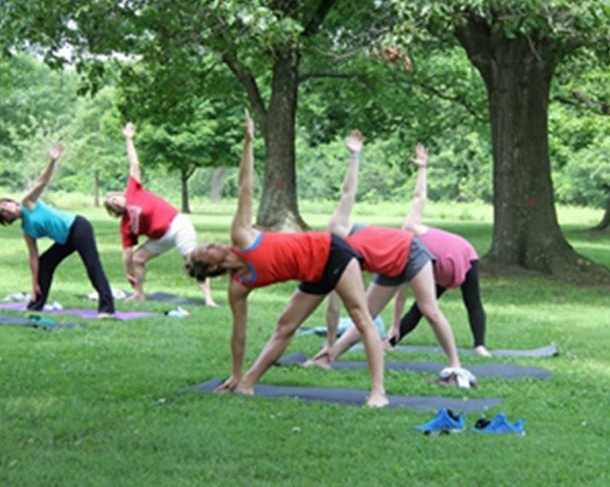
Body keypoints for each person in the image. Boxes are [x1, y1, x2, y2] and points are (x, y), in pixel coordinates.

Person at [184, 111, 388, 407]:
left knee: (361, 318)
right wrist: (234, 372)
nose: (213, 243)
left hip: (333, 253)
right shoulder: (239, 287)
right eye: (208, 249)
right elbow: (238, 334)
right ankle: (246, 383)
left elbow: (245, 187)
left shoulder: (241, 235)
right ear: (213, 266)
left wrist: (248, 142)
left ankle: (378, 393)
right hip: (313, 274)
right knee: (285, 326)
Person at [308, 131, 475, 387]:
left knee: (429, 310)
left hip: (411, 253)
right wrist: (330, 341)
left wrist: (354, 156)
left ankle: (456, 365)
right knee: (363, 314)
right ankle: (328, 358)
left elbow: (348, 192)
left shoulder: (337, 226)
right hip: (389, 266)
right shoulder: (335, 257)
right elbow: (334, 305)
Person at [386, 144, 490, 356]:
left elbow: (419, 196)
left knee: (472, 300)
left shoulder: (409, 227)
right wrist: (394, 325)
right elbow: (400, 296)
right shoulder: (403, 259)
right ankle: (390, 343)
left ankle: (480, 345)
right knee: (422, 307)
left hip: (464, 255)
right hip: (439, 270)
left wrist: (422, 169)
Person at [103, 122, 216, 307]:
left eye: (115, 198)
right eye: (112, 205)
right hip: (160, 238)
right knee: (138, 258)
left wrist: (128, 139)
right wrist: (127, 271)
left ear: (120, 194)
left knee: (192, 261)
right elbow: (127, 252)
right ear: (114, 212)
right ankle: (139, 294)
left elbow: (134, 163)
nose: (115, 202)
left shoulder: (133, 190)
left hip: (177, 226)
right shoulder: (125, 225)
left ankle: (208, 299)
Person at [0, 144, 115, 317]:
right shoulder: (26, 230)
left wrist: (52, 161)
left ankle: (107, 308)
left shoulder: (27, 203)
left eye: (5, 205)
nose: (7, 209)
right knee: (44, 263)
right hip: (66, 238)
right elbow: (33, 258)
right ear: (7, 219)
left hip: (78, 227)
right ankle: (36, 304)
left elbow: (42, 182)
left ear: (12, 202)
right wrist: (34, 285)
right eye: (3, 212)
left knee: (92, 266)